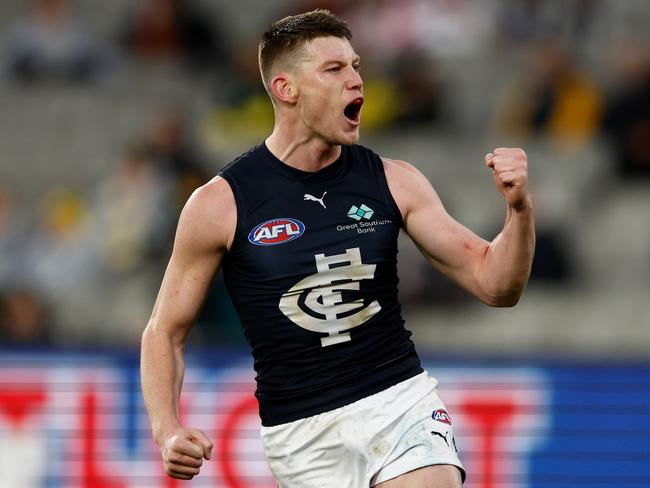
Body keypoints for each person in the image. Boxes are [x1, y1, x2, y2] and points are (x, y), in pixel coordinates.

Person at [140, 10, 534, 487]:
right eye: (334, 69)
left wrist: (518, 210)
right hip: (301, 432)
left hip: (398, 401)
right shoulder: (220, 204)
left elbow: (496, 285)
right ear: (287, 89)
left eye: (356, 65)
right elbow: (164, 331)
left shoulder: (394, 180)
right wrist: (166, 430)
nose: (356, 80)